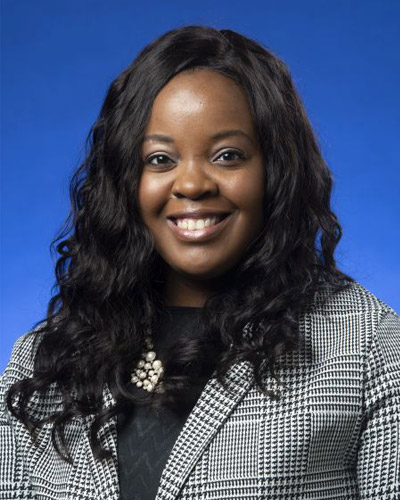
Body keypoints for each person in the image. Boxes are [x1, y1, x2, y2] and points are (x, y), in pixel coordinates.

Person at [1, 24, 399, 500]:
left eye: (228, 155)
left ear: (276, 170)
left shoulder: (367, 347)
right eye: (160, 159)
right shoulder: (46, 359)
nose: (191, 184)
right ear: (127, 179)